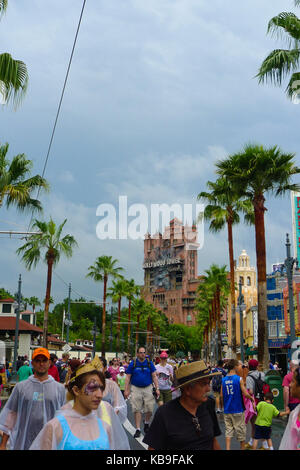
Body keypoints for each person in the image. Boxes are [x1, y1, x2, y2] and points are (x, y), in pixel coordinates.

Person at [30, 356, 129, 450]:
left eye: (101, 388)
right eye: (92, 388)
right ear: (76, 390)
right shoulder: (55, 427)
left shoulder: (106, 428)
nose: (99, 395)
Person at [143, 360, 221, 450]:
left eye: (208, 383)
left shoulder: (208, 405)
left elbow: (213, 440)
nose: (208, 389)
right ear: (187, 389)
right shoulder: (165, 413)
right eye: (204, 384)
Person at [0, 348, 66, 450]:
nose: (41, 364)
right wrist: (3, 444)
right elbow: (11, 415)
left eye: (44, 361)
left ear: (49, 363)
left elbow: (64, 418)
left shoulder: (59, 389)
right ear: (33, 363)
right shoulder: (21, 388)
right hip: (24, 441)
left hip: (50, 443)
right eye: (38, 361)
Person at [124, 346, 159, 438]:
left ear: (145, 353)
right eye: (140, 352)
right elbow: (128, 377)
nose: (142, 354)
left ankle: (146, 422)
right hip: (136, 388)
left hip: (148, 387)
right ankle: (138, 429)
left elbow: (154, 376)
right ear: (137, 354)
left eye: (144, 352)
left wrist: (157, 388)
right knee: (137, 408)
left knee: (150, 408)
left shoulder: (149, 363)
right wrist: (126, 389)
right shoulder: (133, 363)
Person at [221, 359, 255, 450]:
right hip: (238, 409)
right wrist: (251, 399)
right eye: (239, 365)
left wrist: (222, 406)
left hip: (227, 409)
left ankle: (228, 448)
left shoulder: (223, 380)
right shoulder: (238, 379)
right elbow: (245, 393)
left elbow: (221, 395)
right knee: (241, 434)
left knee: (228, 431)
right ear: (235, 367)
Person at [245, 358, 267, 449]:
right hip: (263, 401)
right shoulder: (262, 374)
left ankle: (263, 444)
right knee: (261, 422)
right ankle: (253, 442)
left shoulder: (249, 377)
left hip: (254, 403)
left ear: (249, 367)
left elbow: (250, 392)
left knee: (254, 423)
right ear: (257, 366)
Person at [99, 357, 127, 424]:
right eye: (94, 366)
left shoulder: (112, 385)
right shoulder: (88, 384)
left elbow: (117, 405)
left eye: (100, 366)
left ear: (105, 368)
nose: (97, 369)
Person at [279, 365, 300, 450]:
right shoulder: (295, 413)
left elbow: (285, 391)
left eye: (293, 381)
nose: (290, 385)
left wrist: (286, 405)